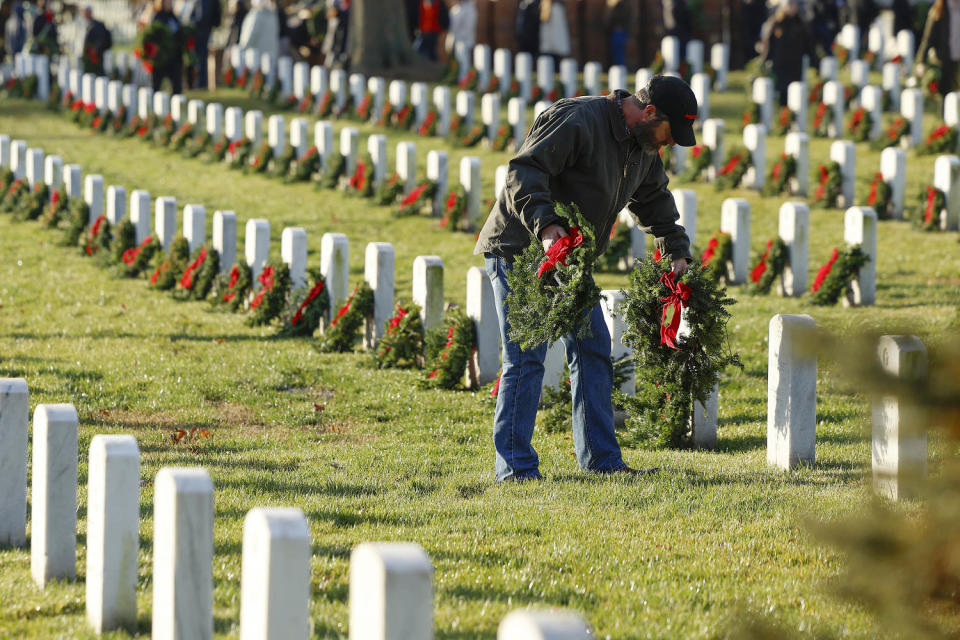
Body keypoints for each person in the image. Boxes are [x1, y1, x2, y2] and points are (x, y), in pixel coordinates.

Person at [473, 75, 697, 482]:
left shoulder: (641, 148)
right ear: (648, 113)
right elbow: (524, 171)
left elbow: (654, 201)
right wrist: (546, 226)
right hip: (522, 249)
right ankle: (516, 469)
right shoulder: (579, 119)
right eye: (668, 135)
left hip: (570, 262)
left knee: (593, 347)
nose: (666, 145)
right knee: (526, 357)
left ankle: (601, 460)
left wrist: (676, 250)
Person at [762, 0, 815, 106]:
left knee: (794, 96)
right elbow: (769, 45)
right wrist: (764, 61)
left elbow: (808, 45)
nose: (792, 8)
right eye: (789, 5)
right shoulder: (776, 23)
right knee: (782, 94)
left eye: (794, 5)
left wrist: (814, 62)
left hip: (795, 66)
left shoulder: (801, 24)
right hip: (780, 65)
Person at [916, 0, 960, 98]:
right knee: (946, 93)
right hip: (944, 59)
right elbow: (928, 39)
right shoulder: (939, 10)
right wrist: (921, 61)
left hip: (958, 59)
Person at [179, 0, 221, 89]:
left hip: (201, 31)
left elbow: (202, 16)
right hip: (199, 30)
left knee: (201, 57)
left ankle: (201, 83)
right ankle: (195, 83)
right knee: (196, 57)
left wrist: (191, 22)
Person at [150, 0, 183, 94]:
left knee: (176, 85)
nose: (169, 3)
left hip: (174, 57)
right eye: (167, 1)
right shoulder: (157, 17)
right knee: (156, 85)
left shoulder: (174, 17)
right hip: (161, 57)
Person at [81, 6, 112, 75]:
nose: (84, 15)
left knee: (98, 72)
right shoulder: (87, 24)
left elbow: (100, 39)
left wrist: (95, 49)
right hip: (89, 55)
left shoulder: (97, 25)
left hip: (95, 55)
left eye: (86, 12)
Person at [605, 0, 631, 67]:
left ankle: (620, 68)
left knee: (618, 53)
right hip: (619, 32)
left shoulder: (619, 6)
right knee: (618, 53)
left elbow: (614, 19)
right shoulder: (624, 5)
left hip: (618, 32)